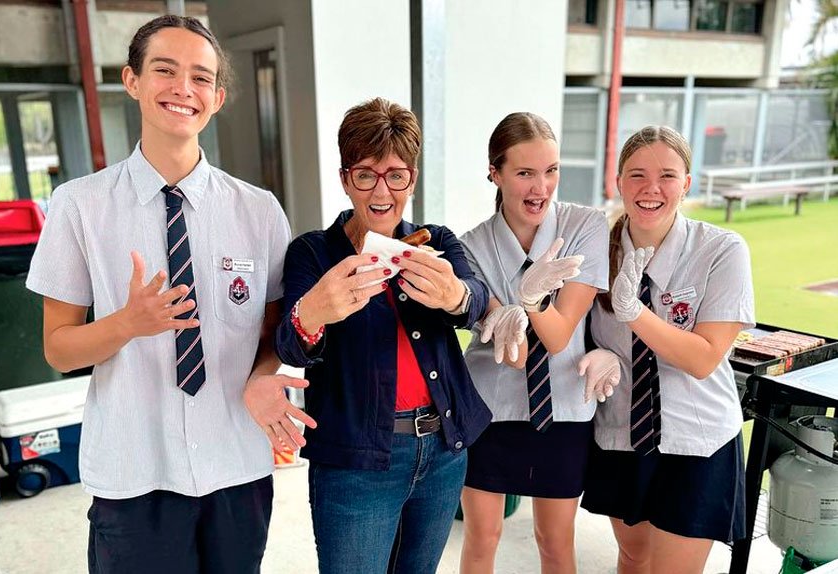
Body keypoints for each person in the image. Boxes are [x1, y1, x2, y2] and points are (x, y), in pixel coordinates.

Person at [26, 15, 312, 574]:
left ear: (218, 97)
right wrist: (126, 323)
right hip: (135, 470)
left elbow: (273, 333)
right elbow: (58, 350)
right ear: (132, 81)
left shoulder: (259, 210)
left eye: (201, 78)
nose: (183, 88)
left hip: (236, 463)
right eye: (165, 70)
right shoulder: (79, 206)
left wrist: (263, 377)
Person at [274, 97, 492, 574]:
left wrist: (453, 294)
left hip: (442, 449)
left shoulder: (435, 241)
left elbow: (476, 300)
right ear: (344, 178)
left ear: (411, 179)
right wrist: (314, 311)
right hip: (355, 462)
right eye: (365, 174)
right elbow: (289, 345)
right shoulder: (313, 253)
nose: (381, 189)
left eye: (396, 174)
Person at [581, 126, 754, 574]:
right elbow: (573, 332)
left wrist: (633, 312)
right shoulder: (596, 249)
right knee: (633, 558)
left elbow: (703, 358)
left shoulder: (721, 250)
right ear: (617, 181)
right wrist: (600, 354)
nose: (650, 188)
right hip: (622, 434)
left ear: (687, 184)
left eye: (667, 176)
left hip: (697, 442)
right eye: (636, 175)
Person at [458, 112, 616, 574]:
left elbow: (561, 331)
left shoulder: (585, 226)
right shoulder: (470, 249)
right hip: (490, 408)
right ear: (495, 172)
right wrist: (521, 311)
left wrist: (528, 301)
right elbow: (514, 356)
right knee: (482, 536)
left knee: (554, 541)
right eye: (525, 173)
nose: (540, 187)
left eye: (551, 171)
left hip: (563, 407)